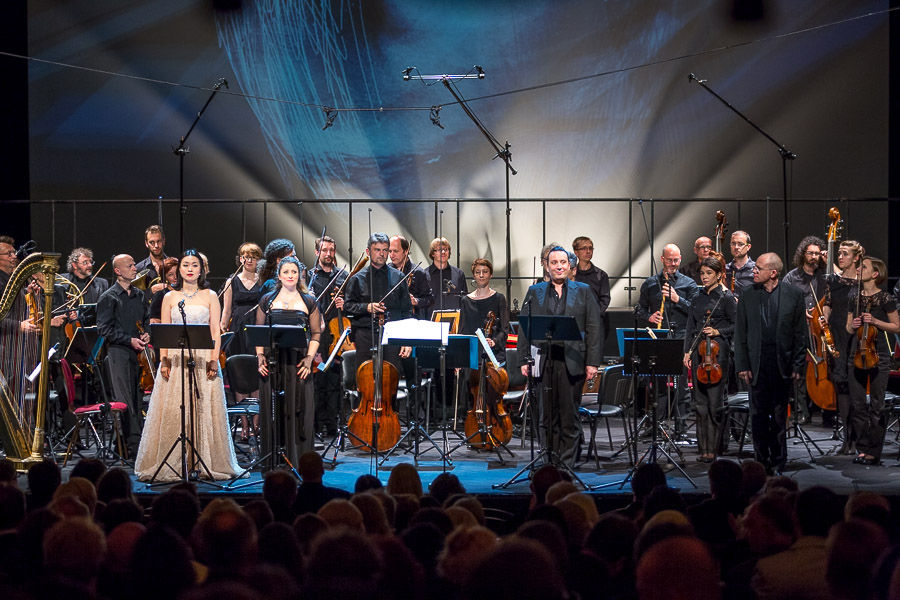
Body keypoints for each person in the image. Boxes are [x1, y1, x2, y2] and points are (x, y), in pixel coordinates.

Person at [134, 249, 240, 482]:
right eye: (186, 265)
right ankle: (176, 460)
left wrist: (214, 358)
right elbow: (164, 332)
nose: (190, 269)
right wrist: (164, 360)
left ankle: (204, 460)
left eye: (194, 265)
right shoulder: (169, 297)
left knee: (203, 407)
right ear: (179, 269)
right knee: (175, 407)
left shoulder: (210, 295)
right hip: (176, 358)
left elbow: (215, 331)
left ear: (201, 270)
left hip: (202, 358)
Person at [516, 246, 602, 467]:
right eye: (554, 263)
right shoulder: (535, 291)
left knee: (569, 414)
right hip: (544, 360)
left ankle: (566, 464)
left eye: (563, 262)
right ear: (547, 266)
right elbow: (525, 328)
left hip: (572, 360)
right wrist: (524, 359)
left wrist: (592, 362)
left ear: (569, 265)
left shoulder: (583, 291)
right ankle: (549, 461)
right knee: (546, 415)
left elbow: (594, 327)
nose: (559, 266)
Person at [733, 252, 807, 475]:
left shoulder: (794, 294)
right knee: (757, 415)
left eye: (759, 268)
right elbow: (741, 333)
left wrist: (798, 365)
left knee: (779, 415)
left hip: (781, 363)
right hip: (756, 363)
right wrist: (742, 365)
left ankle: (778, 460)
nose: (754, 271)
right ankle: (760, 460)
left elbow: (800, 333)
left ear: (773, 273)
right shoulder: (748, 295)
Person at [255, 255, 323, 466]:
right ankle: (272, 460)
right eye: (286, 272)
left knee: (299, 410)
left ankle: (298, 460)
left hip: (298, 362)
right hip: (272, 362)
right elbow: (259, 332)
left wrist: (309, 359)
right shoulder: (267, 299)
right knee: (273, 411)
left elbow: (316, 333)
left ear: (300, 274)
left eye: (294, 272)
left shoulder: (308, 301)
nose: (290, 275)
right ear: (279, 275)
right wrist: (260, 357)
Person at [635, 243, 698, 432]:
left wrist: (678, 299)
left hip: (681, 338)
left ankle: (681, 429)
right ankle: (657, 427)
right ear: (662, 259)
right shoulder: (650, 283)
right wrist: (649, 317)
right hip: (659, 337)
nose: (673, 263)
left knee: (681, 386)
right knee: (659, 385)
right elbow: (639, 309)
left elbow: (696, 311)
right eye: (669, 260)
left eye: (676, 260)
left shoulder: (689, 284)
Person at [845, 257, 899, 466]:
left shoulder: (885, 298)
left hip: (879, 355)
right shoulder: (854, 297)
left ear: (875, 274)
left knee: (877, 405)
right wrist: (854, 325)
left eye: (864, 267)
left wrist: (875, 321)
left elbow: (896, 326)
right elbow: (848, 327)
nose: (859, 269)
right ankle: (862, 448)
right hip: (856, 353)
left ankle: (874, 452)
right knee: (857, 405)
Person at [682, 255, 736, 462]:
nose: (704, 277)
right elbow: (690, 326)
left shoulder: (726, 297)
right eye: (702, 273)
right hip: (698, 353)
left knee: (715, 404)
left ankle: (716, 448)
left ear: (719, 275)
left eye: (709, 273)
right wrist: (687, 352)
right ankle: (703, 448)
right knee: (700, 404)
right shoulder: (697, 298)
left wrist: (718, 331)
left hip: (718, 355)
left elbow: (737, 324)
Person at [97, 254, 150, 454]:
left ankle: (134, 443)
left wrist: (147, 333)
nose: (135, 268)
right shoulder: (109, 297)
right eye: (130, 266)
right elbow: (104, 329)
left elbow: (146, 320)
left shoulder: (139, 295)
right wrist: (129, 340)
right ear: (118, 271)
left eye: (134, 264)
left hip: (139, 354)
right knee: (125, 400)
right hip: (119, 353)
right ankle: (131, 445)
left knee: (137, 398)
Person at [343, 233, 413, 366]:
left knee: (391, 375)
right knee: (365, 375)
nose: (382, 254)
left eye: (385, 250)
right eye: (377, 250)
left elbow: (407, 311)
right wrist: (366, 307)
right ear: (368, 252)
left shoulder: (399, 277)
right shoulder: (357, 278)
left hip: (392, 336)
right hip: (365, 335)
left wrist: (407, 341)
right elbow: (348, 306)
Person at [459, 258, 510, 435]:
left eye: (485, 272)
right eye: (478, 272)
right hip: (473, 354)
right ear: (473, 275)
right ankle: (474, 430)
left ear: (491, 274)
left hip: (492, 354)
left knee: (492, 394)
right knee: (472, 394)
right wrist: (460, 357)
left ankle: (494, 429)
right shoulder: (466, 300)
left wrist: (494, 341)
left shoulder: (499, 298)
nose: (481, 275)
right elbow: (463, 329)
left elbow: (504, 328)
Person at [822, 240, 864, 454]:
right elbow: (828, 303)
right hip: (836, 337)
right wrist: (824, 320)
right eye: (839, 253)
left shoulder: (862, 282)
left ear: (856, 258)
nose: (840, 257)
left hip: (855, 338)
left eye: (845, 254)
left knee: (855, 389)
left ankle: (858, 439)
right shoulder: (832, 280)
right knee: (841, 388)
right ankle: (847, 439)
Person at [220, 242, 263, 441]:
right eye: (245, 256)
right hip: (237, 330)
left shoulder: (263, 280)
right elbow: (226, 310)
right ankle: (244, 425)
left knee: (256, 375)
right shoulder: (232, 281)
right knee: (239, 378)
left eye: (253, 256)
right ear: (240, 259)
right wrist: (222, 329)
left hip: (256, 329)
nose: (249, 260)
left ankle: (256, 423)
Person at [782, 235, 828, 424]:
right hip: (799, 330)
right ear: (803, 254)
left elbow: (841, 289)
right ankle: (801, 411)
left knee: (826, 369)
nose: (814, 257)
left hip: (822, 331)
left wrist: (830, 261)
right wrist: (801, 312)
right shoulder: (792, 277)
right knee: (799, 371)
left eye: (817, 253)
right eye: (810, 253)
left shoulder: (825, 277)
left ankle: (827, 409)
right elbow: (783, 302)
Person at [306, 235, 346, 437]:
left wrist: (344, 304)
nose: (328, 254)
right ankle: (316, 426)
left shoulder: (343, 276)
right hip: (317, 336)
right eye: (324, 250)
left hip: (337, 335)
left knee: (335, 382)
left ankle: (332, 425)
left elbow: (352, 303)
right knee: (318, 381)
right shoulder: (309, 277)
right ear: (317, 252)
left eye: (331, 250)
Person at [572, 236, 611, 344]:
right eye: (584, 248)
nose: (588, 251)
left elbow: (605, 299)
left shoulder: (601, 275)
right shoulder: (571, 275)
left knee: (594, 352)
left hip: (595, 323)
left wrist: (593, 315)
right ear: (576, 252)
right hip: (575, 322)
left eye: (590, 248)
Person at [389, 234, 433, 319]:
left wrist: (416, 301)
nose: (391, 255)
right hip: (390, 320)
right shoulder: (386, 270)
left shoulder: (418, 272)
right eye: (390, 251)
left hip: (411, 320)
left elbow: (430, 299)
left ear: (406, 251)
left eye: (395, 251)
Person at [426, 237, 468, 314]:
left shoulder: (459, 274)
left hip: (455, 319)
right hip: (430, 320)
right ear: (432, 253)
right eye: (439, 249)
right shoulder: (425, 274)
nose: (443, 252)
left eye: (446, 249)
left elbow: (464, 301)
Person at [725, 230, 756, 298]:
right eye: (733, 243)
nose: (736, 247)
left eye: (740, 244)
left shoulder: (756, 270)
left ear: (748, 247)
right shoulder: (724, 269)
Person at [148, 258, 179, 324]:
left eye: (177, 273)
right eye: (170, 274)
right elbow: (154, 321)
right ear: (165, 277)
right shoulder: (160, 295)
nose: (175, 277)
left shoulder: (189, 292)